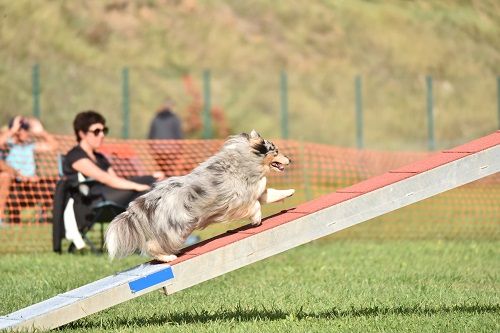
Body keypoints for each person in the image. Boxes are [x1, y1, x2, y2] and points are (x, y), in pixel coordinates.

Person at [60, 110, 164, 250]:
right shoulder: (75, 156)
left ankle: (157, 237)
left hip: (109, 196)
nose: (102, 135)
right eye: (96, 131)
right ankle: (157, 238)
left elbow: (115, 180)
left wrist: (146, 181)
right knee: (146, 188)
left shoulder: (101, 158)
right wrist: (138, 186)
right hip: (90, 202)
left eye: (104, 130)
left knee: (152, 180)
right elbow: (106, 178)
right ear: (82, 133)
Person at [0, 116, 58, 223]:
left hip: (32, 185)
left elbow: (54, 146)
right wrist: (12, 131)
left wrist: (42, 132)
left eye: (27, 129)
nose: (27, 132)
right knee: (4, 176)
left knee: (54, 183)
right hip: (15, 184)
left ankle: (46, 217)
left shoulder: (30, 145)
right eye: (23, 129)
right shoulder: (7, 145)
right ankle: (1, 217)